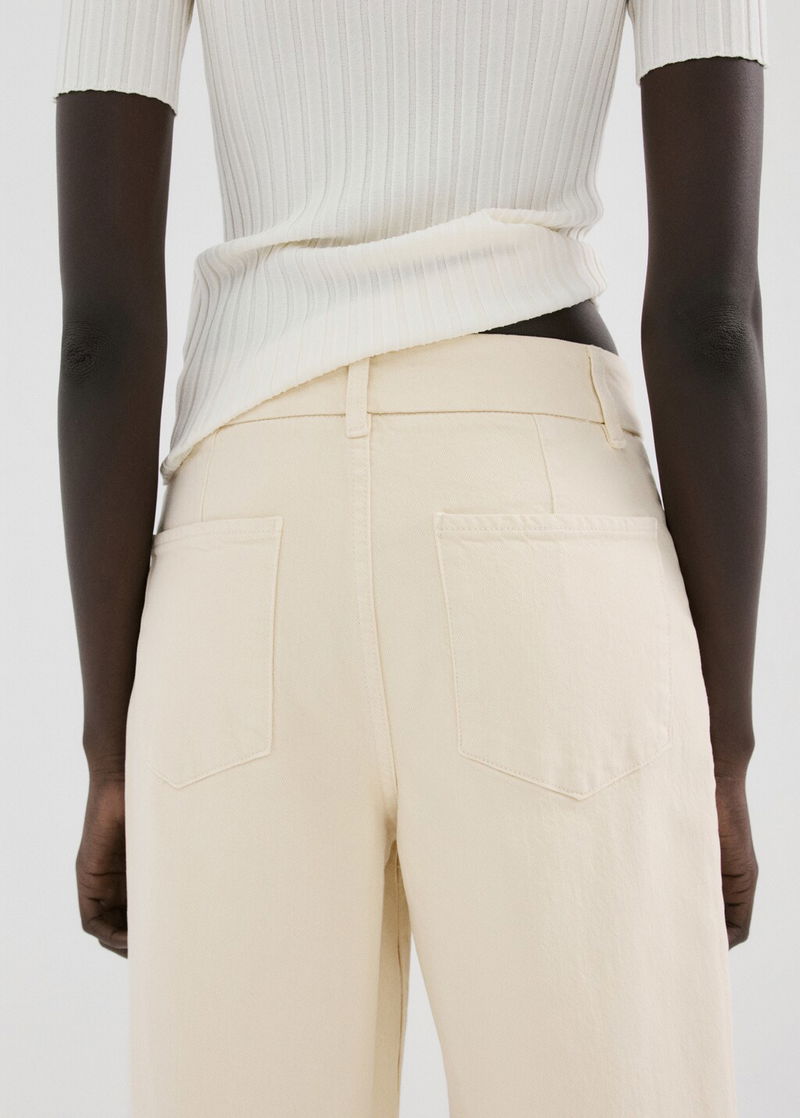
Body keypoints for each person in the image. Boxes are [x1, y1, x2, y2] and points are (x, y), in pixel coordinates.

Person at [53, 1, 768, 1114]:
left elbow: (101, 330)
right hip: (545, 518)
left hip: (247, 534)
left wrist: (112, 749)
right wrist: (721, 749)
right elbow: (708, 321)